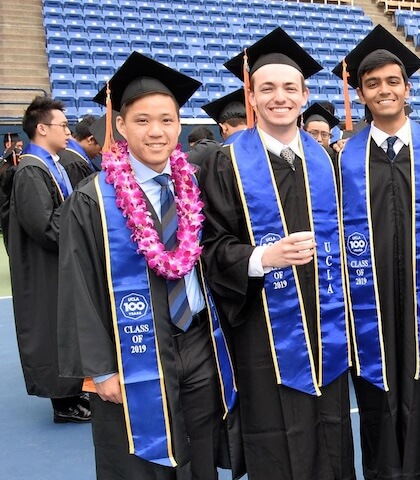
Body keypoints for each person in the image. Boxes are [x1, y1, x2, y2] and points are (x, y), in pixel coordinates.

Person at [57, 51, 242, 480]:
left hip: (199, 341)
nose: (156, 131)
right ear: (121, 125)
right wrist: (101, 369)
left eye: (166, 120)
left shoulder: (193, 184)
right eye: (142, 120)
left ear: (179, 126)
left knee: (199, 451)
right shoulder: (93, 199)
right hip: (132, 349)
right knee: (141, 458)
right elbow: (78, 286)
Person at [199, 27, 355, 479]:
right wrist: (263, 258)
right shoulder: (226, 162)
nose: (279, 97)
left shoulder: (327, 161)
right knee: (275, 434)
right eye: (267, 88)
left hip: (327, 320)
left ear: (305, 95)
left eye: (289, 88)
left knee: (331, 432)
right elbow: (211, 247)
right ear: (251, 96)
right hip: (263, 328)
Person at [331, 25, 420, 480]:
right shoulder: (343, 160)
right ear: (361, 93)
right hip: (369, 305)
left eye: (393, 81)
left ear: (407, 88)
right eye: (373, 83)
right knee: (376, 398)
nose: (384, 90)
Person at [7, 96, 90, 424]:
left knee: (66, 327)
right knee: (52, 329)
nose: (68, 132)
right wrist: (84, 213)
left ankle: (74, 390)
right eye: (63, 126)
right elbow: (45, 227)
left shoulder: (50, 165)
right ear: (42, 128)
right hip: (44, 269)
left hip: (59, 265)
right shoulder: (31, 170)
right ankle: (64, 403)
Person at [61, 114, 102, 187]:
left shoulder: (65, 153)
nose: (102, 152)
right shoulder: (75, 165)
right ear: (91, 140)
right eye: (101, 146)